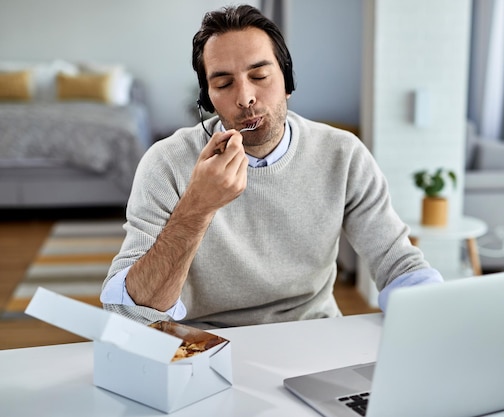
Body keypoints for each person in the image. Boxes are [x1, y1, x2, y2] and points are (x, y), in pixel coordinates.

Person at [100, 4, 443, 328]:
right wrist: (197, 206)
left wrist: (439, 316)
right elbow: (130, 313)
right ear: (208, 98)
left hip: (314, 338)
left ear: (287, 82)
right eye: (223, 84)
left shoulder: (343, 154)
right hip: (205, 348)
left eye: (260, 75)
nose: (245, 98)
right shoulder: (166, 163)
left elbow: (398, 261)